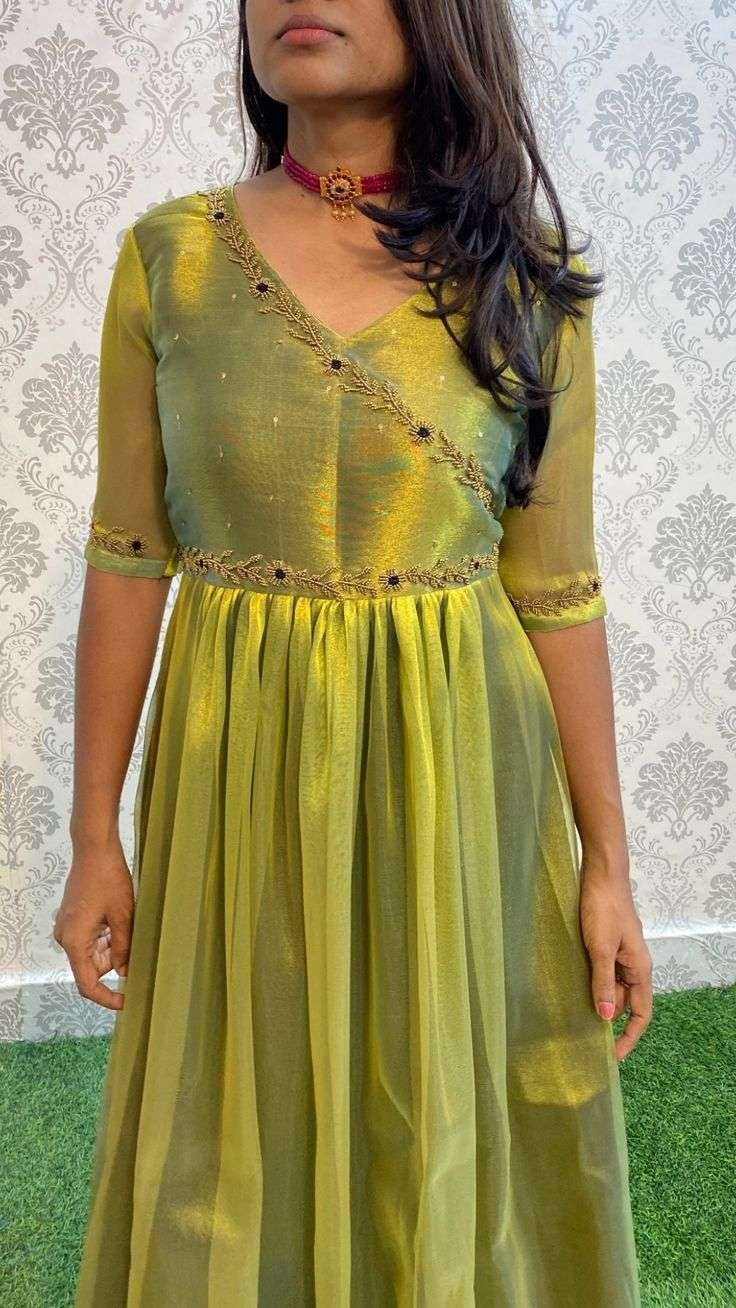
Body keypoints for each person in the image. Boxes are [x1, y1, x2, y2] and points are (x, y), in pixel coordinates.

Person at [56, 0, 653, 1303]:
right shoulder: (170, 262)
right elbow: (127, 556)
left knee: (442, 1083)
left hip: (460, 765)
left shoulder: (523, 278)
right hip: (239, 764)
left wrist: (607, 864)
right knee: (237, 1091)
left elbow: (558, 589)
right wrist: (94, 836)